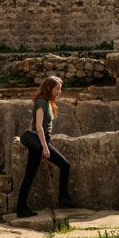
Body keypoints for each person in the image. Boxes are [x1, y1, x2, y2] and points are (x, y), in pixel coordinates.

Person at [17, 75, 73, 217]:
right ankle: (21, 208)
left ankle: (63, 199)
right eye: (57, 88)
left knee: (64, 165)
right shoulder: (41, 102)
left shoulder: (48, 102)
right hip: (40, 142)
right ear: (49, 88)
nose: (60, 91)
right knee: (31, 175)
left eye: (60, 88)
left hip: (41, 141)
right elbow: (38, 126)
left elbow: (32, 122)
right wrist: (44, 147)